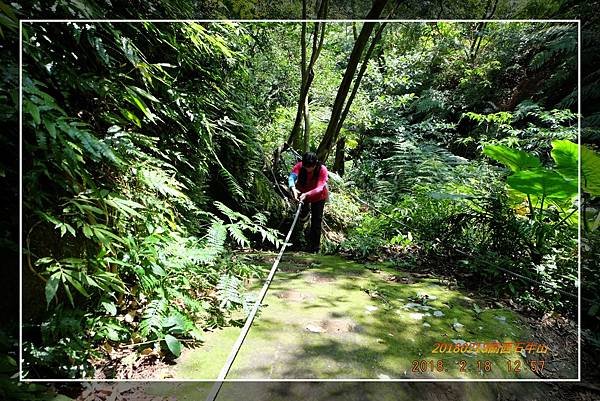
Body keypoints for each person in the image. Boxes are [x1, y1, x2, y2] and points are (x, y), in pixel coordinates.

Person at [288, 152, 329, 253]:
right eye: (306, 167)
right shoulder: (299, 166)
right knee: (301, 216)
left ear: (315, 164)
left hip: (318, 197)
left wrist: (307, 194)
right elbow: (291, 177)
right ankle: (298, 240)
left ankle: (314, 247)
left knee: (316, 221)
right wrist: (293, 189)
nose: (308, 169)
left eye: (311, 167)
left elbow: (320, 187)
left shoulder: (322, 169)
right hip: (302, 195)